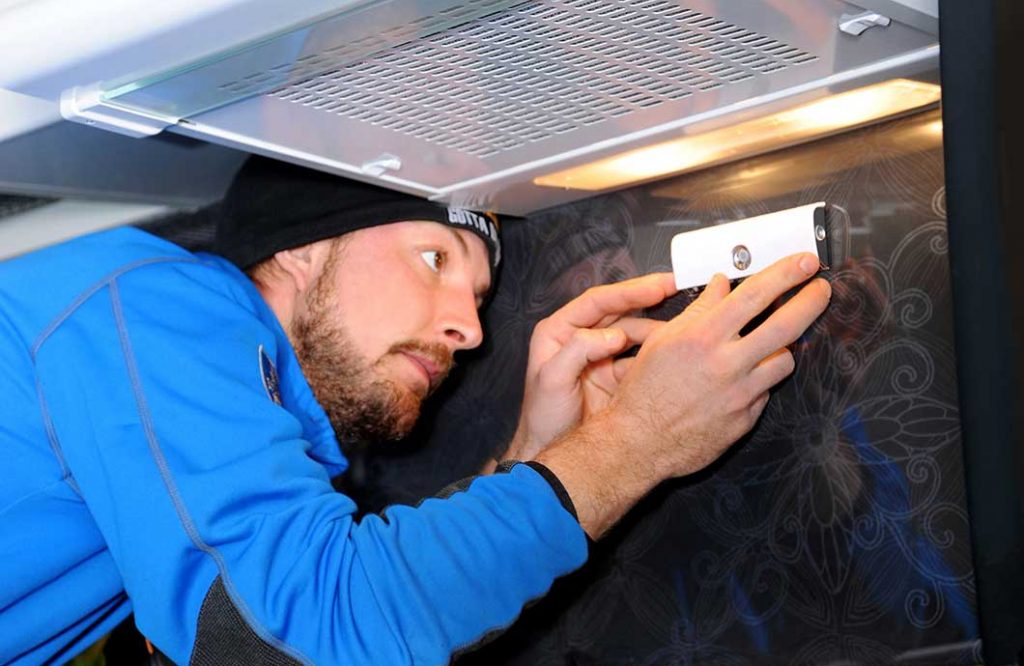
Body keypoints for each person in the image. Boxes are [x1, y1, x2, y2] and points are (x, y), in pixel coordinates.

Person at [0, 157, 831, 665]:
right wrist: (631, 445)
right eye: (434, 257)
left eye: (477, 295)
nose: (468, 328)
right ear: (299, 247)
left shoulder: (172, 428)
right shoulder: (154, 301)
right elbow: (291, 641)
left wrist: (533, 461)